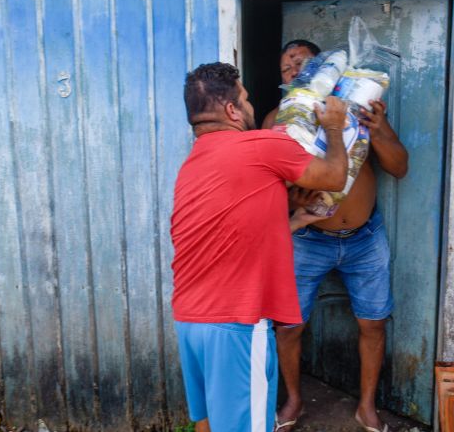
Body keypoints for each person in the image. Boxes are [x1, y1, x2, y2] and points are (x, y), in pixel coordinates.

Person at [171, 62, 350, 432]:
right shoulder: (261, 145)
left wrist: (294, 222)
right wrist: (334, 126)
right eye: (247, 99)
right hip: (236, 321)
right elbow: (333, 175)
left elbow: (228, 233)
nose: (251, 107)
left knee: (206, 424)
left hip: (190, 320)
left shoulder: (193, 163)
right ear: (232, 110)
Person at [265, 42, 409, 432]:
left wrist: (377, 131)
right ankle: (293, 400)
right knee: (289, 326)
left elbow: (399, 167)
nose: (293, 69)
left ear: (325, 69)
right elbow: (262, 189)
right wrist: (291, 200)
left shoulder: (358, 109)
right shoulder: (278, 120)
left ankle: (366, 407)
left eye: (300, 61)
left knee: (373, 323)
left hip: (365, 238)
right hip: (307, 241)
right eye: (284, 67)